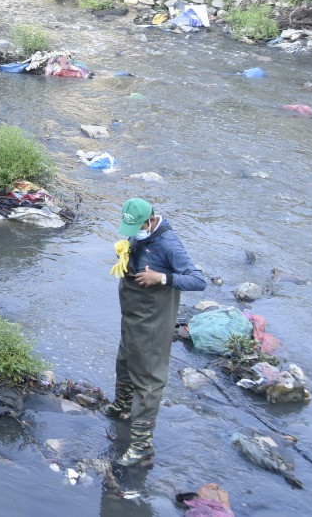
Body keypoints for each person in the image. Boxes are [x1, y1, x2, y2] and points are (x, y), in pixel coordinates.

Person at [102, 197, 204, 468]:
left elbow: (198, 280)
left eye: (137, 227)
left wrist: (161, 278)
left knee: (147, 380)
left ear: (150, 220)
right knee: (124, 362)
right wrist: (126, 254)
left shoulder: (169, 244)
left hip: (154, 324)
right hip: (134, 319)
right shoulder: (140, 237)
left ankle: (141, 447)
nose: (133, 233)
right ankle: (122, 407)